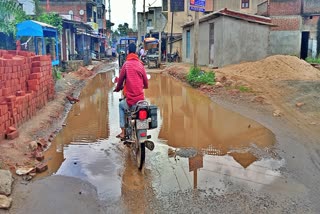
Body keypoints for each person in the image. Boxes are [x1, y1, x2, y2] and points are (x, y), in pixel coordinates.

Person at [114, 43, 149, 139]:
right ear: (136, 52)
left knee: (121, 106)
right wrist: (144, 86)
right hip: (140, 101)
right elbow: (146, 82)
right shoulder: (140, 64)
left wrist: (117, 89)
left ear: (128, 52)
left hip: (131, 101)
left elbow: (120, 81)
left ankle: (123, 131)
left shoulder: (126, 65)